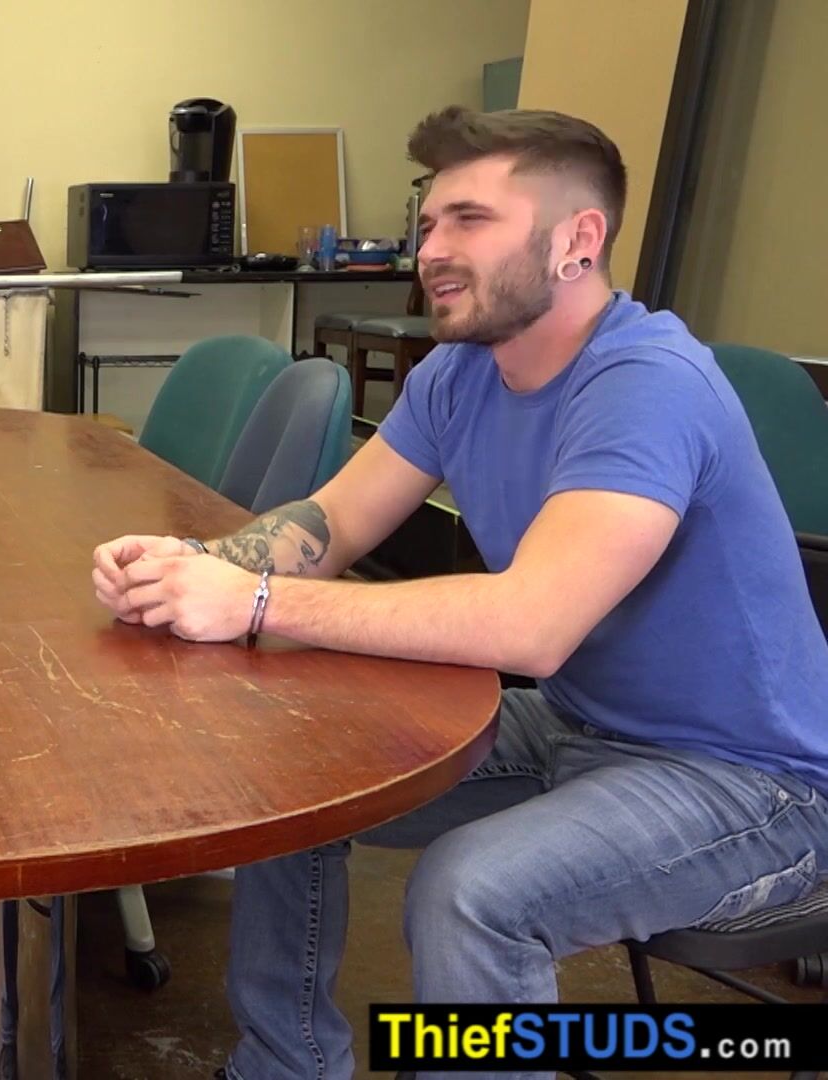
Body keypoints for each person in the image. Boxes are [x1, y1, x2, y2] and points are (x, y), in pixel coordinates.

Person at [93, 106, 828, 1080]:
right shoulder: (461, 373)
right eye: (429, 222)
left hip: (753, 781)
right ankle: (286, 1065)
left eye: (470, 220)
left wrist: (256, 604)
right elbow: (331, 523)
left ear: (578, 239)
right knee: (286, 774)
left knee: (471, 891)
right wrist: (194, 567)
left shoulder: (647, 384)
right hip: (580, 726)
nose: (431, 250)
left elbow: (533, 626)